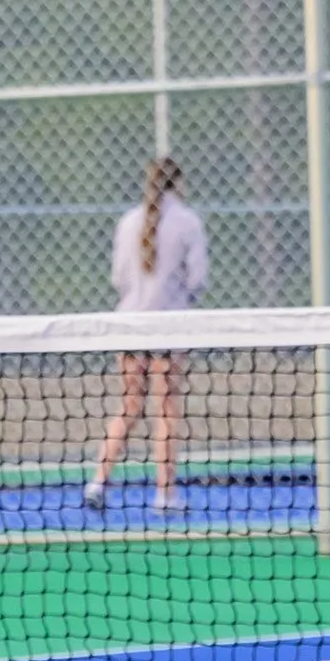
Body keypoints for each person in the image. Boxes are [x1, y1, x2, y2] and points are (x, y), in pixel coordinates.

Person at [86, 153, 207, 513]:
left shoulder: (127, 222)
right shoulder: (189, 223)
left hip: (129, 327)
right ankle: (165, 494)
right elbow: (199, 279)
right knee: (167, 410)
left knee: (130, 406)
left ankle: (97, 482)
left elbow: (118, 278)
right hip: (168, 328)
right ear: (179, 183)